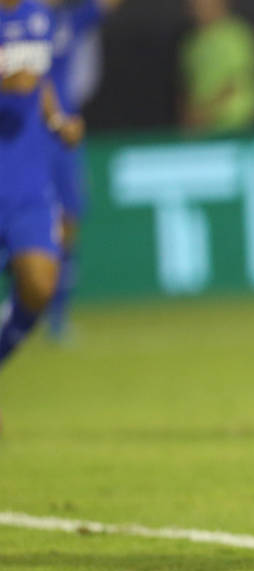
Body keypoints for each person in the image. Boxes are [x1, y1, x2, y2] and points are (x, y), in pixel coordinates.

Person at [1, 0, 81, 374]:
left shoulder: (39, 15)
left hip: (26, 178)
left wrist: (58, 121)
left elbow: (41, 77)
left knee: (39, 284)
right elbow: (17, 79)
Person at [43, 0, 124, 339]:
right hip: (19, 134)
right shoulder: (12, 20)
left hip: (63, 134)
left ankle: (57, 318)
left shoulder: (68, 21)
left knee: (69, 220)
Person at [177, 0, 254, 134]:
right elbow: (186, 87)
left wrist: (205, 114)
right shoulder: (190, 43)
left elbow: (238, 82)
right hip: (198, 133)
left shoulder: (236, 35)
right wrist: (190, 118)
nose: (198, 6)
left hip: (235, 130)